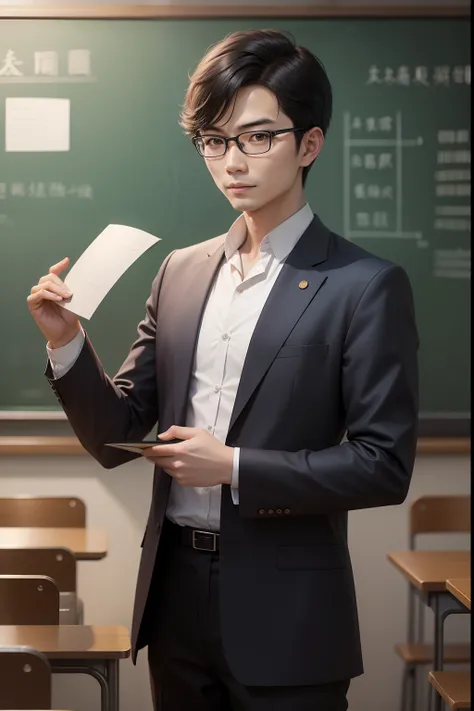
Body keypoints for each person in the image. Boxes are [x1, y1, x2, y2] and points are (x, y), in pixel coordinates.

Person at [28, 28, 419, 711]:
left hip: (289, 613)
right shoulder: (180, 270)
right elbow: (116, 429)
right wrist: (66, 343)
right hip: (175, 596)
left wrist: (235, 465)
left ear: (310, 145)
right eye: (214, 139)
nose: (231, 160)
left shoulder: (365, 284)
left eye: (256, 137)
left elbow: (383, 463)